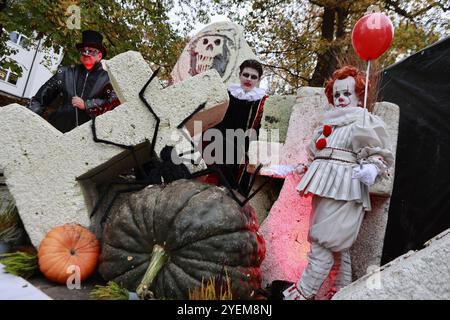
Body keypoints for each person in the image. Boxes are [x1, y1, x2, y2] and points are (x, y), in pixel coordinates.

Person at [283, 65, 394, 300]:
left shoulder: (363, 122)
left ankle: (303, 292)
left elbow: (379, 153)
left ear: (357, 96)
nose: (341, 98)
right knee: (337, 245)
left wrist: (372, 168)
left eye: (347, 94)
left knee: (324, 242)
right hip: (324, 186)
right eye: (337, 94)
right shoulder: (329, 125)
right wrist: (305, 167)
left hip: (347, 188)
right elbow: (317, 153)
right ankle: (343, 291)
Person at [29, 30, 120, 133]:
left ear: (99, 56)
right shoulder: (65, 72)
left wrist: (87, 105)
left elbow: (114, 103)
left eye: (91, 51)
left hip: (89, 137)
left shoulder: (108, 79)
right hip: (57, 130)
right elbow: (39, 100)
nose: (86, 54)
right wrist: (28, 120)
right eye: (83, 51)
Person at [202, 59, 267, 196]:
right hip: (221, 147)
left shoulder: (262, 102)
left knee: (235, 194)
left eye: (253, 77)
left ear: (259, 80)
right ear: (240, 75)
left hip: (244, 151)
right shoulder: (227, 94)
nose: (249, 79)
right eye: (246, 75)